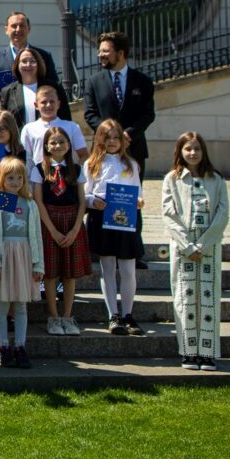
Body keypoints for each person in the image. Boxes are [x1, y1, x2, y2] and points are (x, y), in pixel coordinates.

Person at [162, 131, 229, 370]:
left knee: (208, 298)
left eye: (197, 148)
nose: (192, 153)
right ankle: (189, 351)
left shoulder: (216, 179)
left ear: (203, 151)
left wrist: (203, 244)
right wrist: (188, 245)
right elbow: (168, 214)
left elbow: (222, 214)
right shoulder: (172, 179)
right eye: (188, 148)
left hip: (209, 247)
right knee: (185, 298)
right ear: (180, 151)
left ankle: (208, 352)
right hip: (183, 249)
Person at [85, 119, 145, 337]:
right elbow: (85, 193)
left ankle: (128, 314)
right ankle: (114, 315)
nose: (111, 142)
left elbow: (138, 190)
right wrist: (93, 202)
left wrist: (139, 201)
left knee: (128, 270)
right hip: (101, 217)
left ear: (123, 140)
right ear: (99, 139)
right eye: (107, 137)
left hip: (126, 218)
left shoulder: (131, 164)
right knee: (108, 268)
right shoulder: (91, 164)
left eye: (116, 138)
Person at [0, 156, 44, 368]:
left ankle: (20, 346)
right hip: (4, 257)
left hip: (24, 258)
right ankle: (3, 346)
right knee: (2, 304)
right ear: (1, 178)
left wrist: (38, 264)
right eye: (10, 178)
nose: (15, 182)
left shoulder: (30, 204)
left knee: (20, 305)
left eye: (19, 178)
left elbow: (36, 235)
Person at [34, 126, 89, 336]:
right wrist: (52, 230)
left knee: (69, 273)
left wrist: (75, 229)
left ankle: (67, 316)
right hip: (49, 221)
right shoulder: (39, 169)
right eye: (53, 142)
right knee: (49, 273)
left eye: (62, 142)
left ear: (68, 144)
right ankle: (54, 317)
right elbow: (38, 201)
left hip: (72, 220)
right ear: (47, 146)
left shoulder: (77, 169)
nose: (57, 146)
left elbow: (82, 201)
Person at [82, 30, 157, 166]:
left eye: (105, 51)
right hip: (103, 150)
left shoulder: (143, 81)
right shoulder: (93, 82)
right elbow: (90, 114)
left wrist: (128, 134)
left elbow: (148, 114)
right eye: (99, 51)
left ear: (121, 53)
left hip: (134, 149)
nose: (100, 55)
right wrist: (110, 135)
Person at [19, 84, 88, 172]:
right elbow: (26, 159)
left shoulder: (72, 127)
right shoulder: (29, 129)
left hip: (67, 177)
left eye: (52, 101)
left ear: (58, 104)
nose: (48, 105)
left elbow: (83, 155)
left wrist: (78, 174)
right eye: (43, 102)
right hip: (39, 177)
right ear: (36, 105)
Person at [1, 45, 72, 128]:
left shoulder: (54, 88)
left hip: (50, 135)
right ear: (17, 65)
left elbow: (66, 118)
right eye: (24, 61)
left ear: (38, 64)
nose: (28, 65)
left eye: (32, 61)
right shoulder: (7, 91)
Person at [0, 12, 56, 93]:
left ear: (29, 29)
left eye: (22, 26)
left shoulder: (44, 56)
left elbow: (53, 85)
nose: (18, 29)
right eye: (14, 26)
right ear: (6, 30)